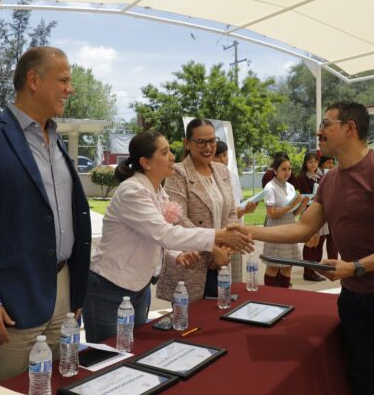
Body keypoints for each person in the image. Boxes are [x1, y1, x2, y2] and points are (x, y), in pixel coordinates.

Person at [231, 101, 374, 395]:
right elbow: (303, 228)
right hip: (354, 295)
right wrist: (248, 230)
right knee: (360, 377)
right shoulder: (331, 180)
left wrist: (357, 267)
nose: (318, 132)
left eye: (325, 125)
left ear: (350, 128)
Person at [0, 46, 91, 383]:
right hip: (12, 303)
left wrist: (76, 293)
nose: (70, 89)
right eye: (64, 80)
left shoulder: (56, 140)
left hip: (63, 294)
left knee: (60, 384)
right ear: (33, 80)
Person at [82, 131, 254, 342]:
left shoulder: (157, 191)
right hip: (110, 288)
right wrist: (218, 236)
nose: (172, 157)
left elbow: (155, 237)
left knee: (133, 351)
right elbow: (164, 233)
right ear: (146, 162)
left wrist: (176, 255)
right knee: (107, 356)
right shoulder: (132, 192)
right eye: (165, 152)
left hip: (138, 287)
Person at [156, 119, 241, 303]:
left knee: (221, 318)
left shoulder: (221, 171)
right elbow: (179, 220)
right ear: (187, 143)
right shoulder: (178, 173)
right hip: (191, 265)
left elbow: (231, 213)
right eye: (201, 142)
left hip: (221, 264)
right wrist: (212, 249)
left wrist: (226, 248)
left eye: (212, 141)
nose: (208, 147)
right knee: (187, 324)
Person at [214, 140, 258, 284]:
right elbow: (223, 214)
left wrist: (245, 210)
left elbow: (235, 206)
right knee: (221, 278)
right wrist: (242, 211)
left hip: (237, 231)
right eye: (218, 156)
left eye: (225, 155)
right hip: (220, 235)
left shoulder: (232, 177)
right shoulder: (211, 179)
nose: (222, 160)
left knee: (236, 277)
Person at [260, 156, 305, 288]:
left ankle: (285, 295)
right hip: (276, 229)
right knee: (273, 266)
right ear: (275, 171)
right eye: (283, 169)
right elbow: (271, 214)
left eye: (289, 169)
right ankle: (270, 297)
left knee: (288, 265)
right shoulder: (270, 187)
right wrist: (292, 205)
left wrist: (301, 205)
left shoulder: (290, 187)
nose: (287, 172)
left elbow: (293, 214)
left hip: (289, 227)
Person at [292, 152, 335, 282]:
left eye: (315, 162)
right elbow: (303, 195)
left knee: (318, 242)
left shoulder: (319, 177)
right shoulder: (302, 177)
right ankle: (308, 271)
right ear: (306, 163)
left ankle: (315, 270)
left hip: (320, 211)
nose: (313, 164)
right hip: (308, 211)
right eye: (310, 162)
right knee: (310, 243)